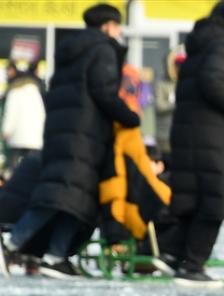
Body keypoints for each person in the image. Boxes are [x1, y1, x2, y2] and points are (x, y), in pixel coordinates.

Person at [3, 3, 140, 279]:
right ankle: (11, 244)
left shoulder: (69, 51)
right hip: (84, 137)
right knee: (59, 198)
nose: (120, 32)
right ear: (107, 27)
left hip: (63, 134)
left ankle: (55, 256)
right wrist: (130, 117)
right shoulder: (102, 49)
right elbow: (103, 93)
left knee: (75, 201)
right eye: (117, 26)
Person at [165, 0, 224, 286]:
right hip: (214, 135)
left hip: (189, 133)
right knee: (217, 200)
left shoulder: (199, 45)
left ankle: (174, 255)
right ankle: (193, 263)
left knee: (193, 199)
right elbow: (212, 81)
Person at [1, 61, 46, 172]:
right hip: (36, 138)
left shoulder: (14, 92)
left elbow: (10, 114)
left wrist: (5, 131)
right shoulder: (35, 91)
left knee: (14, 168)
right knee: (31, 169)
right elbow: (42, 114)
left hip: (18, 138)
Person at [155, 47, 184, 165]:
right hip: (165, 138)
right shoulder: (162, 84)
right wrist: (176, 105)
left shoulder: (185, 84)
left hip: (182, 139)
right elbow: (159, 105)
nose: (179, 68)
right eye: (177, 65)